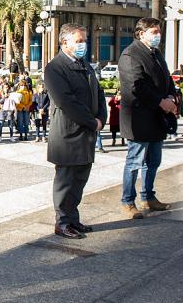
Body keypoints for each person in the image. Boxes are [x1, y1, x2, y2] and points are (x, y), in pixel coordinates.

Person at [44, 23, 107, 239]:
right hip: (68, 135)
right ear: (65, 43)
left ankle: (73, 219)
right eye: (79, 41)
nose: (83, 45)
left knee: (79, 181)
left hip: (86, 133)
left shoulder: (85, 65)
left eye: (84, 40)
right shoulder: (55, 68)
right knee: (66, 181)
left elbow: (98, 93)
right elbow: (66, 101)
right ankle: (62, 222)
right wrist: (92, 122)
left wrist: (101, 118)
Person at [118, 17, 176, 219]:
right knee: (134, 162)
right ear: (141, 34)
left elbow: (167, 79)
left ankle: (148, 196)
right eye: (153, 32)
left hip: (157, 117)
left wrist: (170, 97)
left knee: (153, 161)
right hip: (139, 118)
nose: (157, 35)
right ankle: (127, 201)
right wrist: (161, 102)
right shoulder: (130, 54)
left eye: (158, 31)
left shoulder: (157, 53)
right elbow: (137, 86)